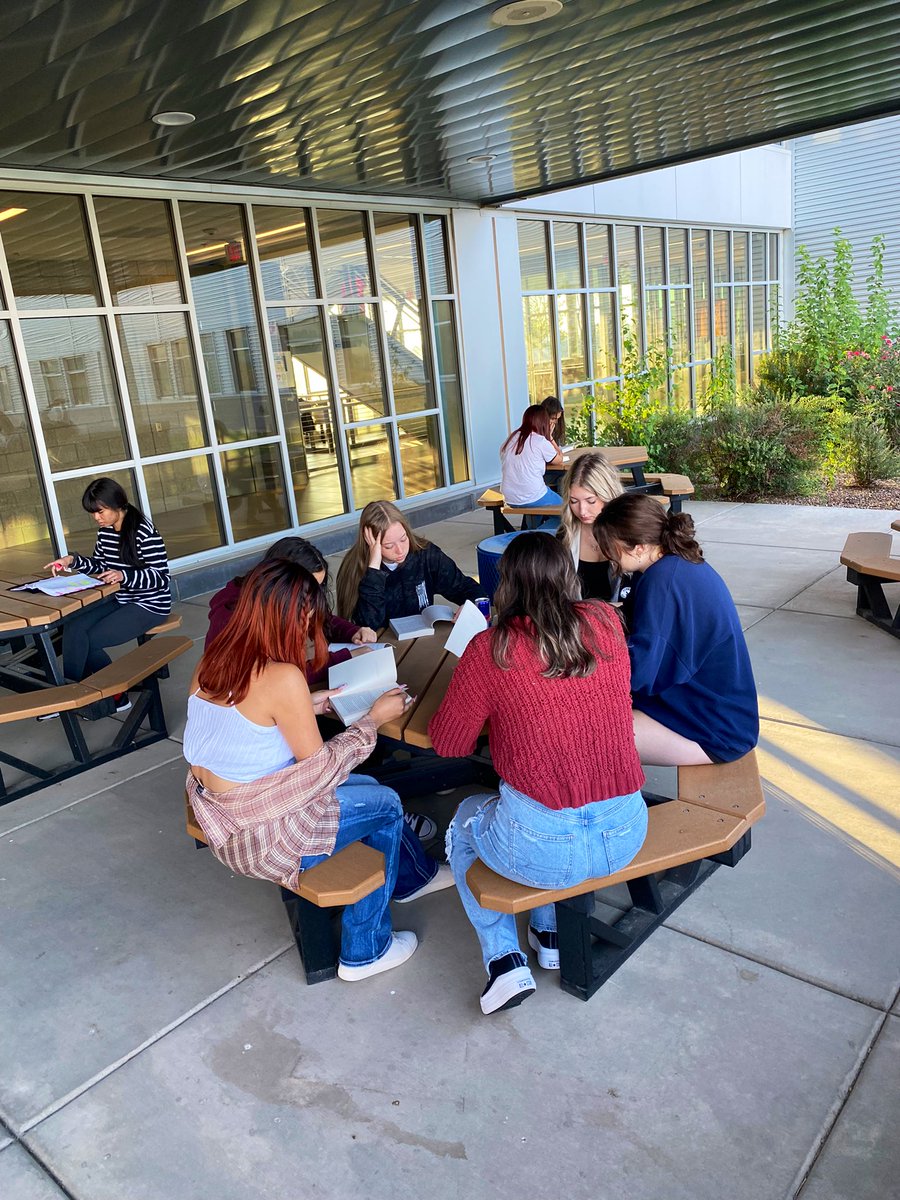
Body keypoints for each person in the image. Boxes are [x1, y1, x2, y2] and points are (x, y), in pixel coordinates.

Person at [183, 558, 454, 983]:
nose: (309, 631)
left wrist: (309, 703)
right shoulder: (281, 676)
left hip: (223, 815)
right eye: (306, 620)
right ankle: (367, 949)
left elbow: (243, 721)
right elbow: (321, 773)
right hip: (262, 836)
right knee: (385, 803)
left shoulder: (213, 663)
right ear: (288, 618)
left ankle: (406, 879)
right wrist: (374, 719)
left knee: (366, 785)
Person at [429, 533, 647, 1015]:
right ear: (567, 575)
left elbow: (448, 744)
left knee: (464, 819)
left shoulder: (491, 648)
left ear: (506, 584)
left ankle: (504, 963)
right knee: (539, 808)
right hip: (626, 829)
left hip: (540, 844)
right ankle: (548, 934)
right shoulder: (607, 621)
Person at [592, 493, 759, 766]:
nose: (606, 555)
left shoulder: (663, 582)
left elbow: (639, 671)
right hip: (712, 708)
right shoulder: (674, 564)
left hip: (716, 729)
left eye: (610, 547)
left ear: (638, 548)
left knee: (576, 729)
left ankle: (604, 808)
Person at [43, 477, 170, 717]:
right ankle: (72, 695)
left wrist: (124, 576)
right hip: (119, 598)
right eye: (93, 513)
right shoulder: (105, 532)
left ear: (117, 505)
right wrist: (71, 560)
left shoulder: (144, 532)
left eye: (100, 511)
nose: (96, 518)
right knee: (73, 628)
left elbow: (160, 577)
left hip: (149, 604)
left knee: (89, 641)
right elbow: (100, 564)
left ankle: (100, 696)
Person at [205, 535, 377, 684]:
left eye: (318, 587)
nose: (312, 601)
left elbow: (323, 618)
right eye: (308, 589)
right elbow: (271, 680)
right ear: (283, 582)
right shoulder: (234, 618)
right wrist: (345, 658)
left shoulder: (275, 601)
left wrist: (351, 631)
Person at [335, 500, 483, 629]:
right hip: (383, 647)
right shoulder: (355, 568)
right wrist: (373, 571)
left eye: (403, 539)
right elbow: (368, 626)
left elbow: (468, 588)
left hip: (421, 642)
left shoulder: (425, 554)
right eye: (388, 546)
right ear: (370, 544)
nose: (400, 550)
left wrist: (469, 605)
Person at [556, 451, 626, 603]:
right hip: (578, 620)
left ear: (608, 495)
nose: (582, 511)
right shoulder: (565, 535)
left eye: (591, 501)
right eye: (574, 501)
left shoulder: (629, 531)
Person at [499, 404, 564, 508]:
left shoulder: (510, 439)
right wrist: (550, 437)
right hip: (532, 495)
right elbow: (559, 460)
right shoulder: (540, 441)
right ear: (543, 421)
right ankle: (542, 526)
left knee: (539, 508)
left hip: (510, 497)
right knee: (568, 512)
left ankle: (533, 525)